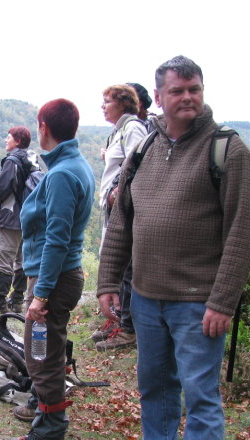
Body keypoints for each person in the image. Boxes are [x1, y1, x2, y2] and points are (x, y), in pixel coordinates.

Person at [96, 55, 250, 440]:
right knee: (155, 384)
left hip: (199, 304)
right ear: (160, 97)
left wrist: (223, 300)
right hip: (147, 297)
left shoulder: (229, 152)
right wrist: (109, 281)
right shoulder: (144, 149)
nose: (188, 97)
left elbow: (243, 230)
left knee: (202, 397)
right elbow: (124, 220)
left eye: (195, 88)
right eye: (178, 91)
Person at [8, 99, 95, 440]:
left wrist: (40, 296)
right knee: (47, 348)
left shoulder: (61, 175)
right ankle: (40, 406)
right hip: (59, 274)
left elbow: (57, 238)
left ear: (44, 127)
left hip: (52, 277)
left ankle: (50, 430)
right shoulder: (76, 165)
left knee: (40, 353)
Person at [92, 84, 148, 352]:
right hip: (115, 207)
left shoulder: (133, 127)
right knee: (123, 267)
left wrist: (118, 192)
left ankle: (128, 329)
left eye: (107, 101)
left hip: (125, 208)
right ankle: (122, 323)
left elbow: (138, 164)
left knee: (127, 268)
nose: (103, 106)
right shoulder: (119, 130)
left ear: (124, 103)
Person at [0, 126, 38, 316]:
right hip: (29, 218)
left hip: (10, 218)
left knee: (3, 261)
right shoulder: (32, 159)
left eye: (8, 138)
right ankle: (17, 301)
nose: (6, 141)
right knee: (21, 261)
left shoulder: (12, 161)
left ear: (17, 141)